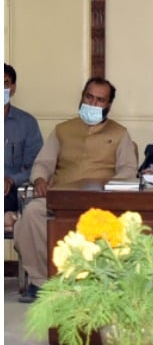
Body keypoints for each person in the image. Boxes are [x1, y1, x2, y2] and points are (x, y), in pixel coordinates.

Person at [14, 77, 137, 303]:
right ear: (82, 96)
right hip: (61, 198)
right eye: (89, 97)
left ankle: (92, 284)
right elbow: (43, 163)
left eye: (100, 100)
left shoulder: (120, 133)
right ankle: (42, 281)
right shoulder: (63, 130)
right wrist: (40, 179)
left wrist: (108, 190)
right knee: (31, 214)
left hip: (100, 202)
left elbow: (129, 169)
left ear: (109, 105)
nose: (93, 103)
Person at [4, 63, 43, 232]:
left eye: (4, 83)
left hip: (9, 191)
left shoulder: (26, 123)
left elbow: (37, 165)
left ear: (13, 88)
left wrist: (12, 180)